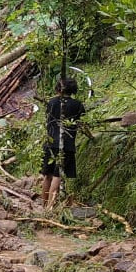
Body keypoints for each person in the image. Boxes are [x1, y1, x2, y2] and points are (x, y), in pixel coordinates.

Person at [41, 77, 85, 208]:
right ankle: (50, 210)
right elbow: (81, 124)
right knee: (57, 175)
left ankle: (44, 206)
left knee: (47, 175)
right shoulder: (77, 105)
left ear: (58, 88)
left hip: (49, 142)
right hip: (66, 144)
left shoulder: (52, 102)